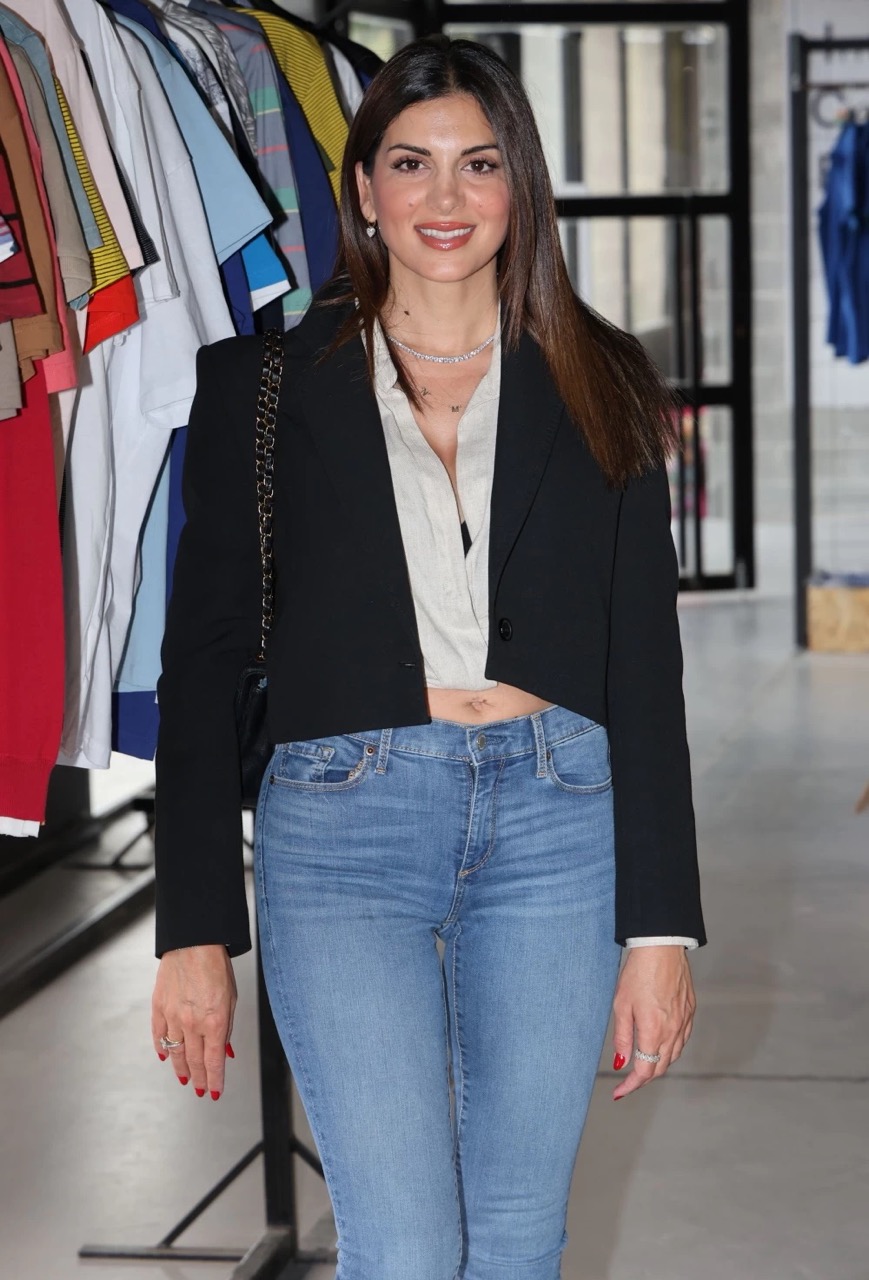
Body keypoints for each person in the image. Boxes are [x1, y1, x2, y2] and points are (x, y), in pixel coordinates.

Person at [151, 35, 705, 1280]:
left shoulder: (600, 376)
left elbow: (643, 667)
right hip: (342, 829)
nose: (445, 198)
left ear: (519, 186)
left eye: (479, 163)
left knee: (514, 1242)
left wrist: (660, 930)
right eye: (410, 163)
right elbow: (202, 666)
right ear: (362, 187)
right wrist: (193, 928)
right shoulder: (259, 387)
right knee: (401, 1247)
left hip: (559, 820)